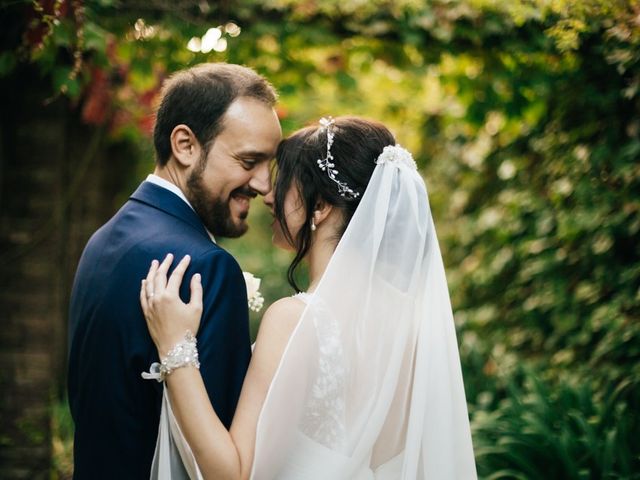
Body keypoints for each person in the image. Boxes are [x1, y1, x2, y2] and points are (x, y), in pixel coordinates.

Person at [141, 116, 477, 479]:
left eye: (283, 181)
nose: (268, 195)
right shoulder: (415, 323)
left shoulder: (296, 320)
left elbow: (233, 473)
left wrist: (176, 349)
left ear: (320, 206)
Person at [67, 63, 282, 478]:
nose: (262, 185)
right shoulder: (205, 268)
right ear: (185, 145)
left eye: (267, 164)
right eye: (249, 160)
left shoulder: (103, 241)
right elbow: (218, 456)